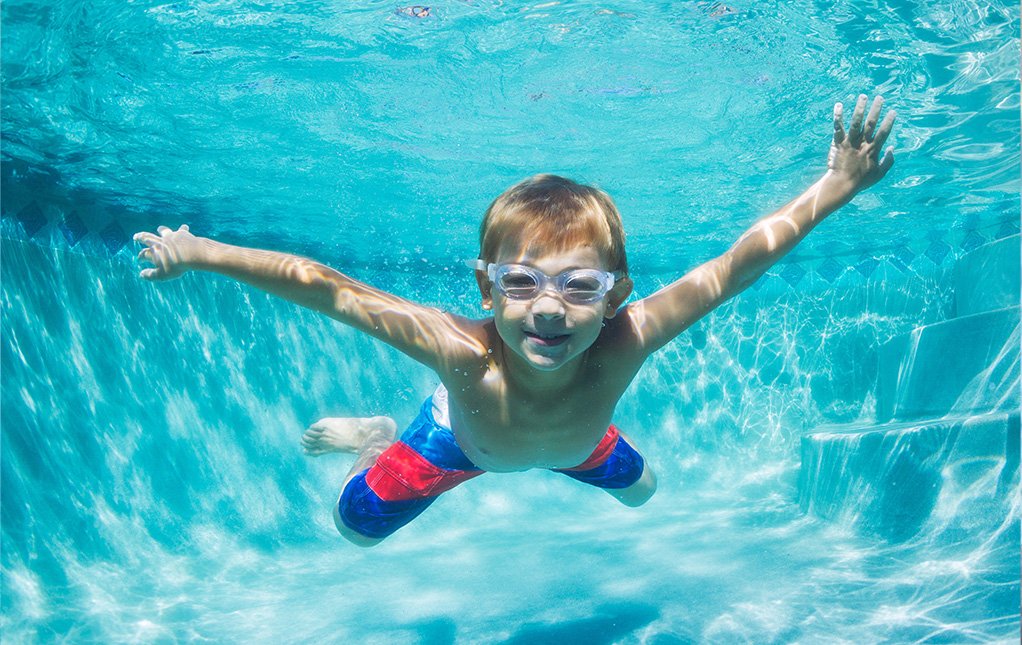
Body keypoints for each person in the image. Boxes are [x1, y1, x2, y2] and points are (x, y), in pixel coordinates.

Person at [135, 94, 896, 547]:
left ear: (616, 295)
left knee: (647, 490)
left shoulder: (626, 340)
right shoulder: (461, 352)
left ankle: (577, 446)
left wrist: (833, 188)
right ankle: (375, 433)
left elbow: (733, 268)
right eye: (522, 281)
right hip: (458, 444)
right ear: (487, 288)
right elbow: (327, 288)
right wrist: (202, 252)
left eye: (578, 285)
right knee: (352, 526)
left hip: (574, 441)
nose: (546, 306)